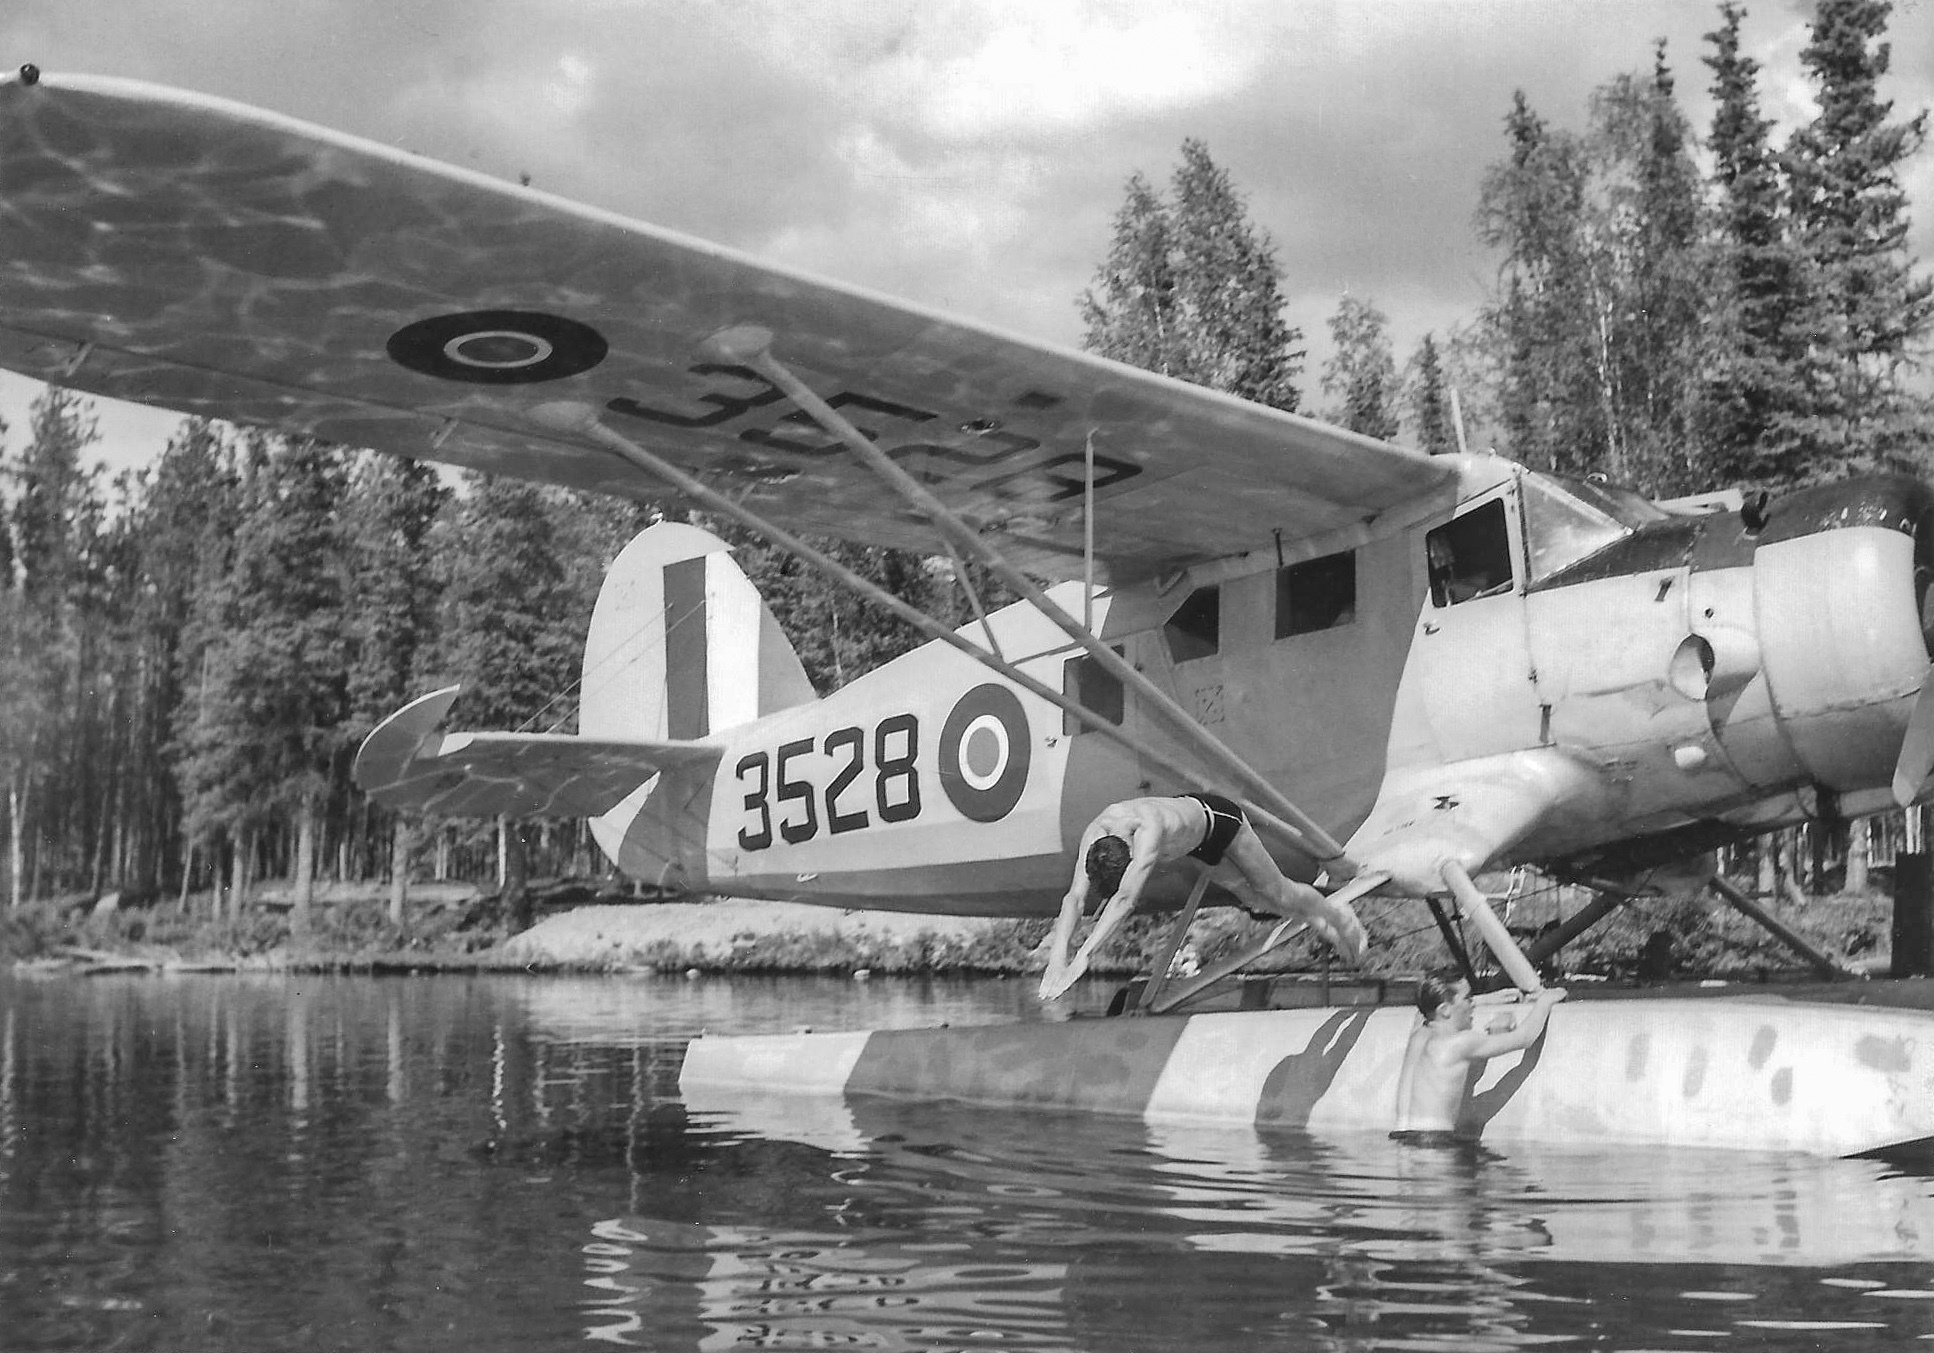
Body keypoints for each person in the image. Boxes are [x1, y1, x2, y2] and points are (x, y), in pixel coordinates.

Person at [1037, 793, 1369, 1000]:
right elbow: (1073, 900)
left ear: (1131, 856)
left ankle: (1338, 914)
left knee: (1276, 892)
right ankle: (1317, 917)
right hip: (1195, 846)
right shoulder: (1095, 835)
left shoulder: (1148, 832)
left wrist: (1083, 956)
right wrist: (1057, 957)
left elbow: (1125, 901)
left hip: (1221, 824)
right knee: (1255, 903)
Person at [1391, 975, 1566, 1143]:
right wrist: (1545, 1001)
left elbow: (1424, 1008)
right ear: (1444, 1010)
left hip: (1400, 1138)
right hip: (1435, 1145)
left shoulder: (1418, 1034)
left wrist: (1487, 999)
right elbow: (1525, 1038)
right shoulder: (1460, 1042)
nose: (1473, 1005)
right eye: (1468, 998)